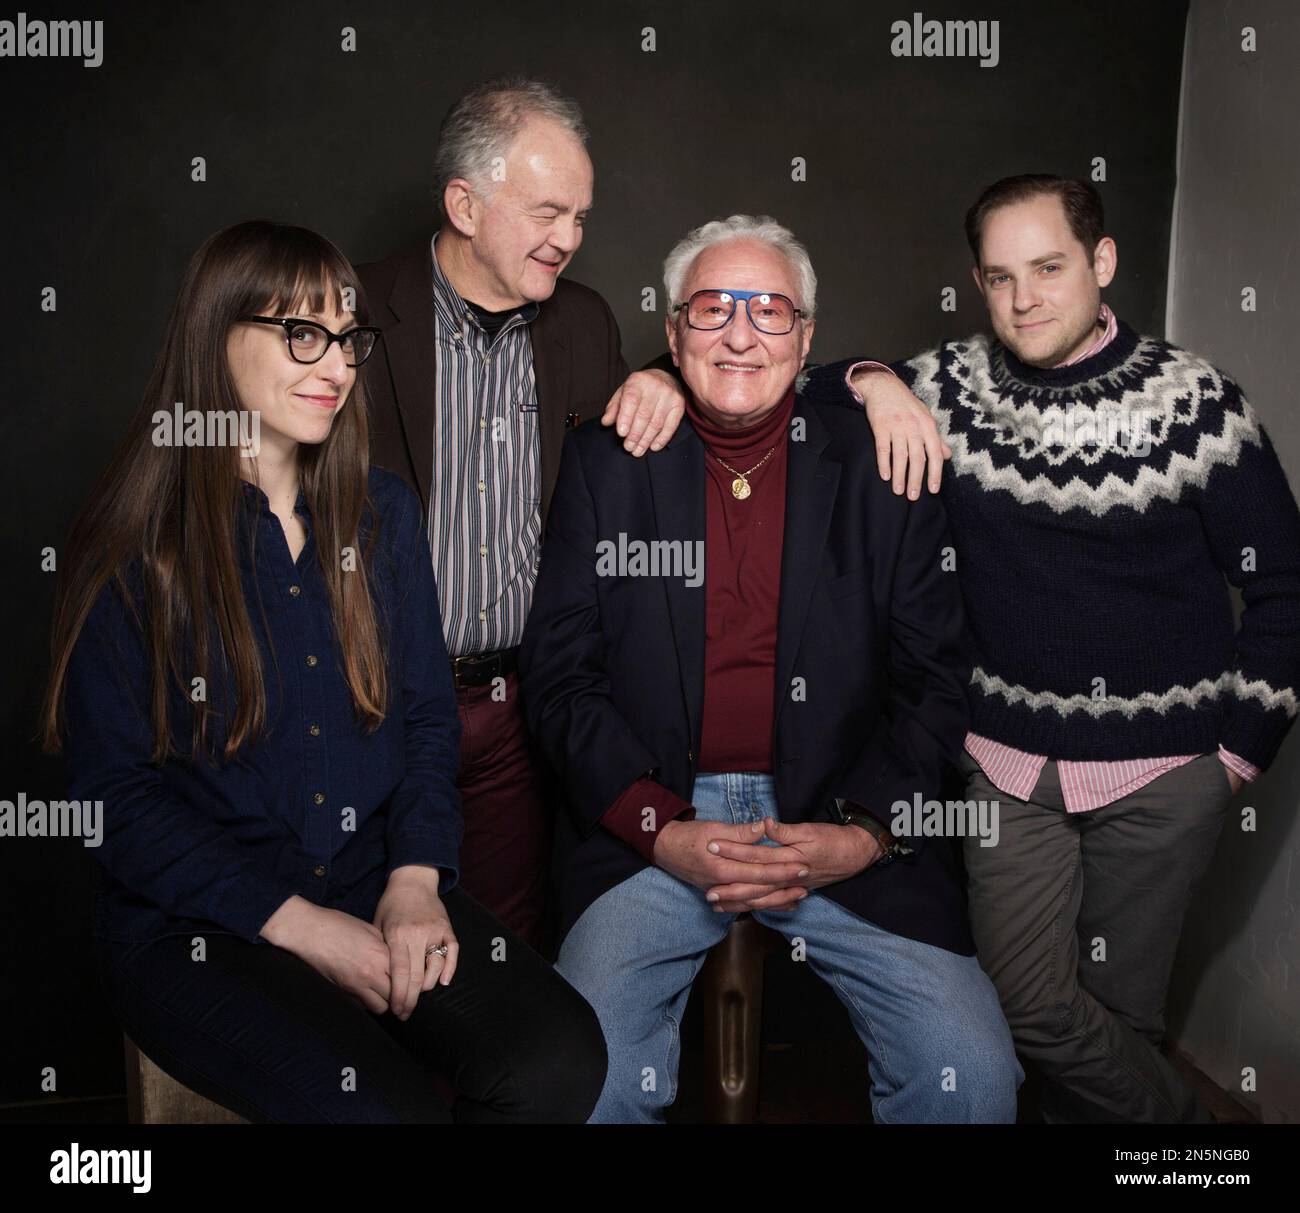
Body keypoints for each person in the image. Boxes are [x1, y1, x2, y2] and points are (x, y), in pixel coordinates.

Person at [42, 220, 605, 1123]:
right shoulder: (130, 545)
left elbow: (427, 723)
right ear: (214, 335)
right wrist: (303, 928)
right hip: (200, 926)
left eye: (348, 337)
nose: (337, 365)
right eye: (302, 334)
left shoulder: (383, 516)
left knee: (560, 1057)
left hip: (373, 878)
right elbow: (115, 801)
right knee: (383, 1110)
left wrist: (416, 882)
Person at [802, 174, 1300, 1122]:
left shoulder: (1196, 405)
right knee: (1028, 1009)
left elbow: (1284, 585)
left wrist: (1235, 758)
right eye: (999, 277)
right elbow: (801, 387)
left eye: (1048, 267)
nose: (1024, 297)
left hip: (1165, 776)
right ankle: (1205, 1143)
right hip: (1004, 768)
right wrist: (873, 382)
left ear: (1101, 262)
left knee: (1122, 1019)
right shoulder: (947, 387)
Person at [519, 214, 1022, 1123]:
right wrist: (658, 823)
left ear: (807, 338)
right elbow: (561, 682)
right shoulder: (606, 461)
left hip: (839, 815)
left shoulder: (885, 463)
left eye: (770, 311)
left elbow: (936, 685)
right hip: (649, 820)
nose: (742, 333)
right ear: (672, 335)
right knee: (584, 1087)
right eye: (712, 309)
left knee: (973, 1078)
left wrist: (866, 833)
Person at [356, 77, 690, 950]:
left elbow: (643, 434)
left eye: (580, 217)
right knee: (367, 945)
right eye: (549, 212)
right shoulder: (353, 312)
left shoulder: (582, 324)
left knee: (501, 953)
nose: (570, 239)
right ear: (465, 204)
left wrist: (666, 375)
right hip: (372, 700)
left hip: (518, 714)